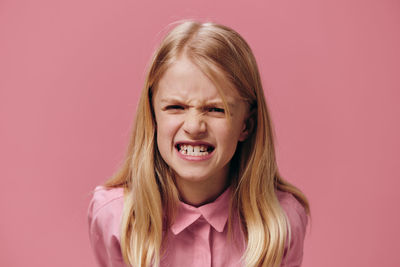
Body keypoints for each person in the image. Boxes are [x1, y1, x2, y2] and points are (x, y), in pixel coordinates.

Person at [88, 20, 310, 267]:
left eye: (216, 109)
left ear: (246, 125)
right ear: (153, 116)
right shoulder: (114, 217)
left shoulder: (283, 223)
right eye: (176, 107)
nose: (194, 127)